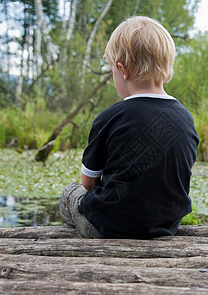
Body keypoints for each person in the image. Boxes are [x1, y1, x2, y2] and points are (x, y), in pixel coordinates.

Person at [59, 16, 199, 239]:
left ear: (122, 70)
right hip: (165, 226)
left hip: (108, 228)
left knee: (70, 193)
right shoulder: (185, 118)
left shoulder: (110, 117)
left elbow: (88, 183)